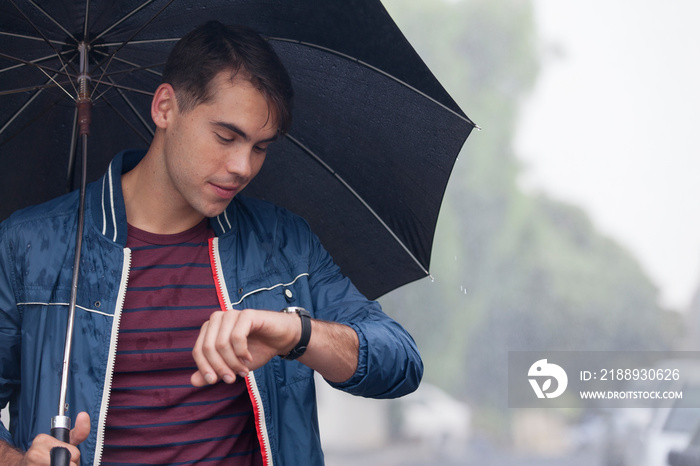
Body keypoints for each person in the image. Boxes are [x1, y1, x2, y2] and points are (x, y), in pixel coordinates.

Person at [0, 20, 423, 465]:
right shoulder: (28, 246)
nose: (242, 166)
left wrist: (296, 334)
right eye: (226, 136)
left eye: (261, 147)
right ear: (165, 108)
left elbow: (400, 362)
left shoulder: (282, 242)